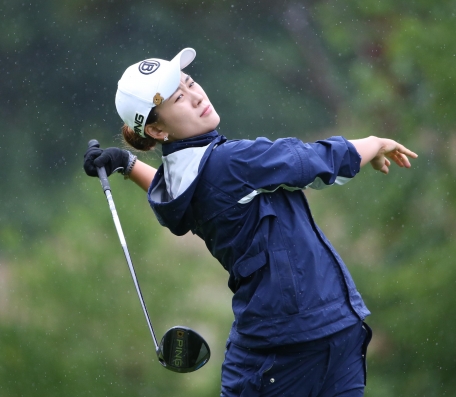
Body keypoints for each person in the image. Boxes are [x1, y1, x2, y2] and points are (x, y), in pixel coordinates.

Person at [83, 47, 418, 396]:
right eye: (179, 97)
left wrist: (128, 163)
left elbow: (179, 190)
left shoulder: (180, 178)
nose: (196, 96)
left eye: (191, 83)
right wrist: (375, 142)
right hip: (305, 340)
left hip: (289, 342)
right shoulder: (231, 162)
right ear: (155, 128)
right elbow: (315, 162)